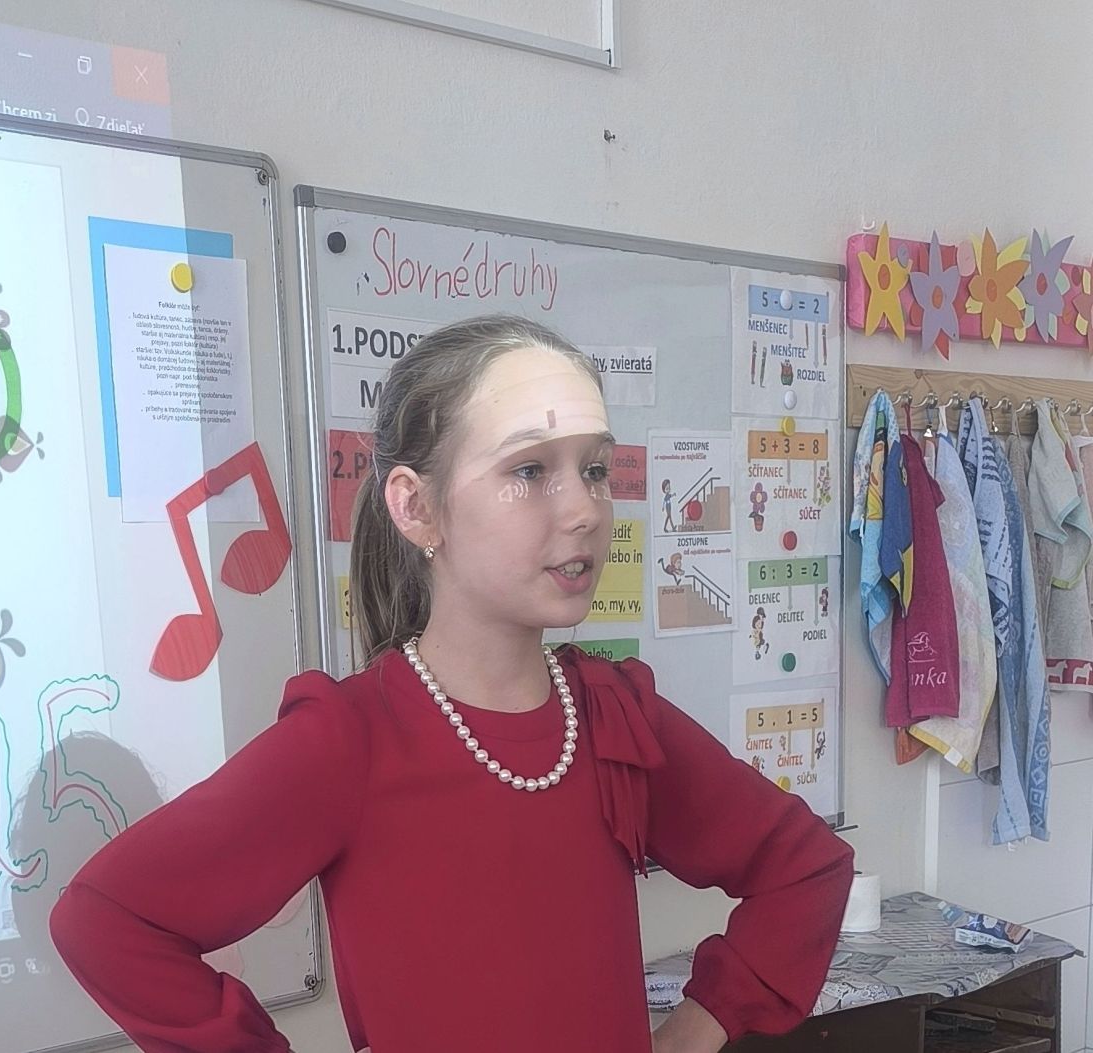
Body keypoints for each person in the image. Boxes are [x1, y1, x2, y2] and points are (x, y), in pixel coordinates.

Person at [49, 315, 854, 1053]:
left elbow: (805, 867)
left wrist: (694, 1029)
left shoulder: (612, 718)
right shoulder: (351, 741)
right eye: (530, 469)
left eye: (595, 468)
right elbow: (108, 919)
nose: (584, 508)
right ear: (417, 508)